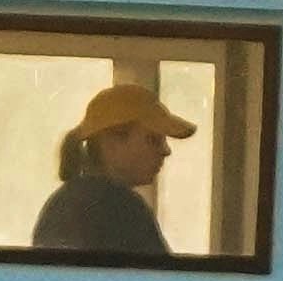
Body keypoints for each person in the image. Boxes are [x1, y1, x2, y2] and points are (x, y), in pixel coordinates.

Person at [30, 80, 188, 257]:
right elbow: (159, 280)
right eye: (153, 140)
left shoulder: (63, 202)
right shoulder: (120, 208)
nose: (166, 151)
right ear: (112, 143)